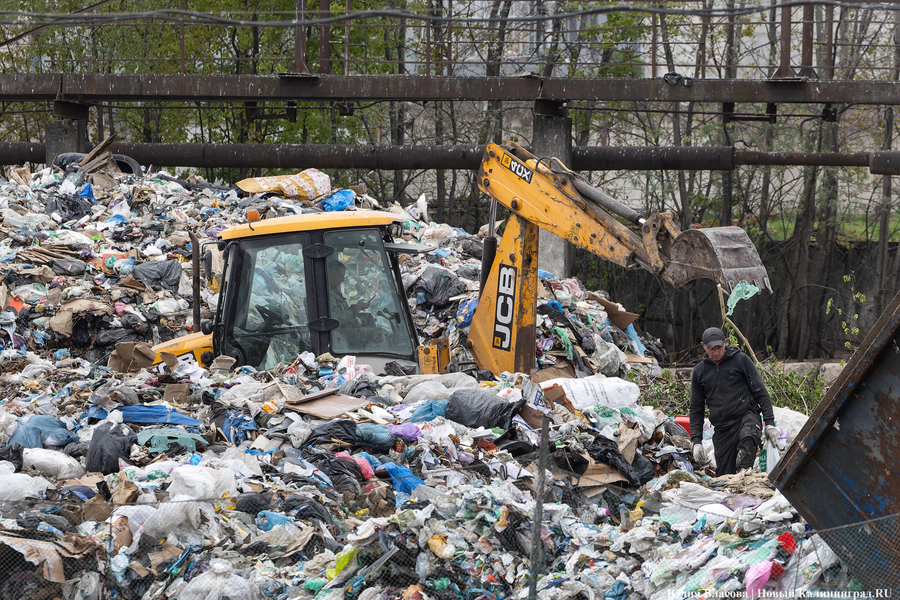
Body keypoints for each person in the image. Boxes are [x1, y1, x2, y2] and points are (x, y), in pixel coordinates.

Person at [689, 326, 778, 475]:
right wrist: (697, 441)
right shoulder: (700, 372)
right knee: (726, 477)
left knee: (747, 442)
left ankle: (745, 479)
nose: (716, 352)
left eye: (719, 347)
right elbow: (696, 409)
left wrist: (769, 423)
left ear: (725, 342)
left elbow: (761, 392)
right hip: (723, 428)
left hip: (746, 416)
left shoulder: (741, 360)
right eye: (712, 349)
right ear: (703, 346)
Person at [326, 260, 371, 327]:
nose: (343, 280)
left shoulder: (334, 289)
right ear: (330, 275)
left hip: (346, 327)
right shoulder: (328, 294)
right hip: (340, 331)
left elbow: (343, 311)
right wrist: (357, 307)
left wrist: (355, 316)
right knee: (380, 333)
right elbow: (338, 318)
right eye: (340, 277)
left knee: (369, 318)